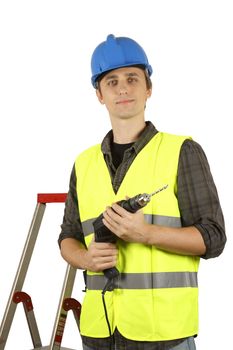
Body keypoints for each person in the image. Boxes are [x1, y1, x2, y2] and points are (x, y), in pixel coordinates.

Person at [58, 34, 226, 350]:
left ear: (148, 89)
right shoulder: (84, 163)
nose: (123, 88)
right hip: (99, 332)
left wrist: (146, 233)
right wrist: (86, 258)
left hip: (164, 336)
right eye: (112, 81)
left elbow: (213, 238)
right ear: (99, 94)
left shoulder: (182, 151)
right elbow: (67, 237)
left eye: (132, 78)